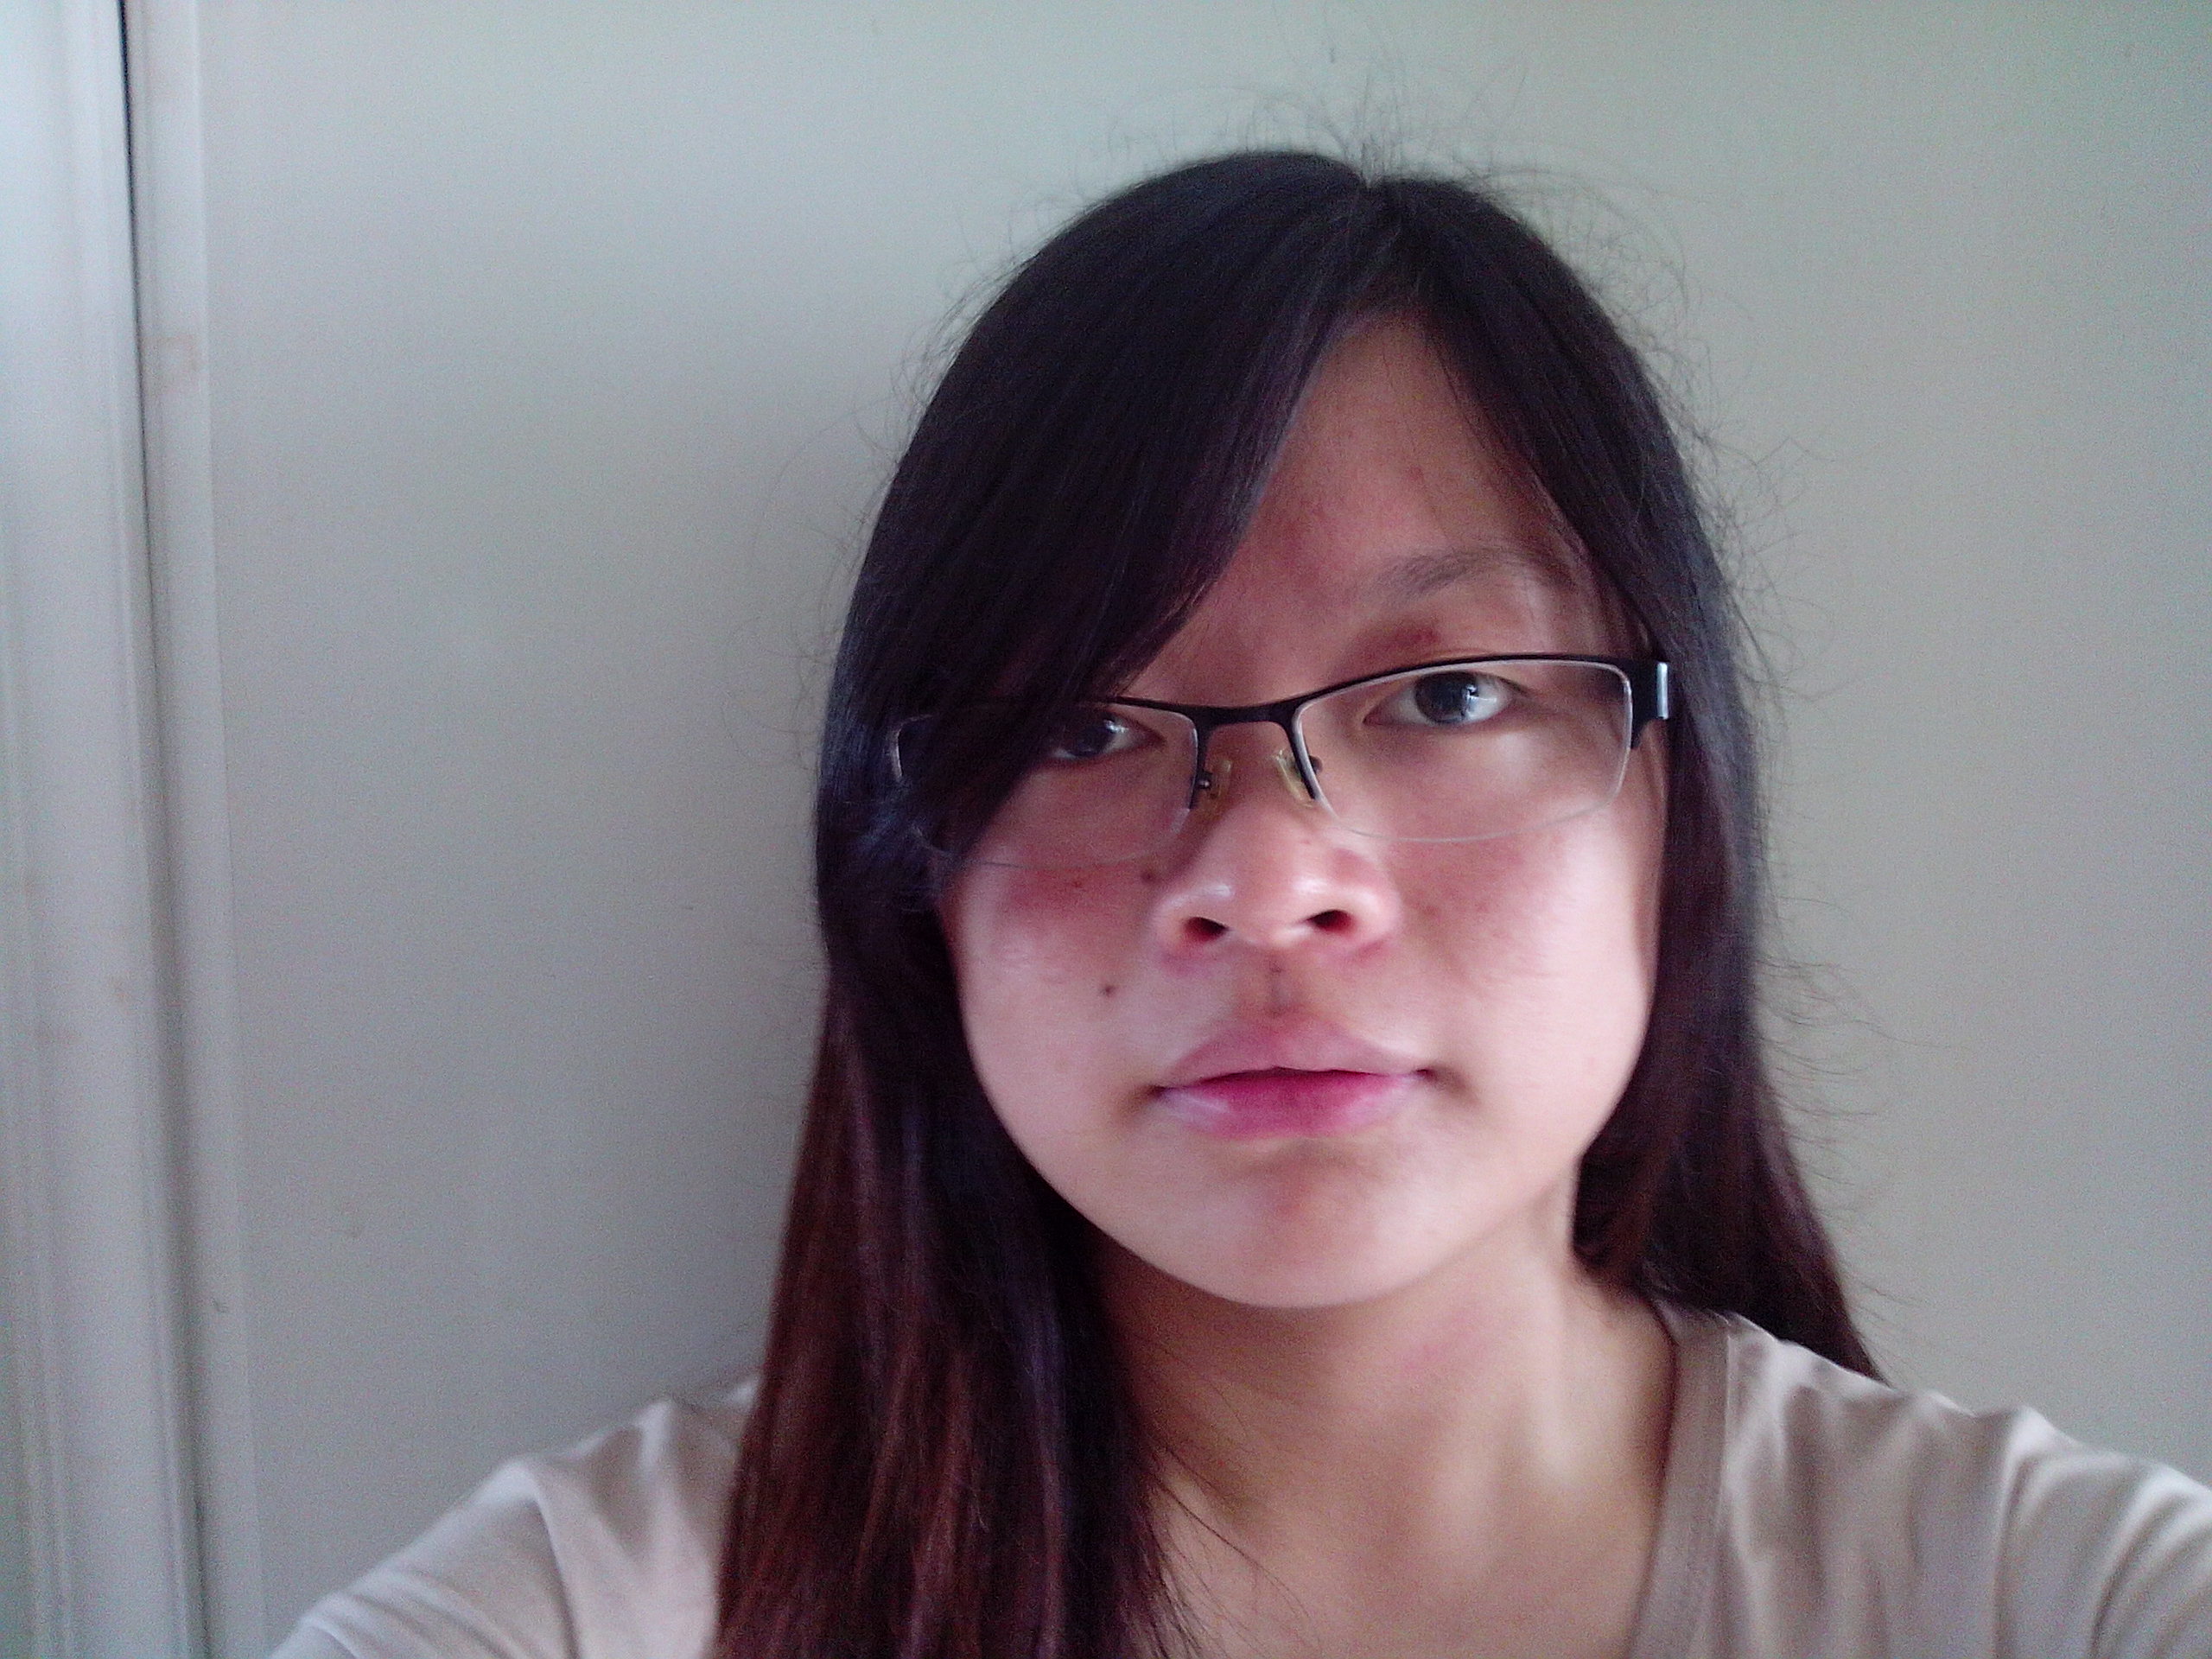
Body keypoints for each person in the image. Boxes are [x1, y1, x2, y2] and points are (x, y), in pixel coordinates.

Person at [274, 151, 2212, 1659]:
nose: (1268, 881)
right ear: (913, 881)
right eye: (1082, 722)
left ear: (1672, 813)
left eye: (1447, 696)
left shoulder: (2046, 1590)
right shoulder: (602, 1605)